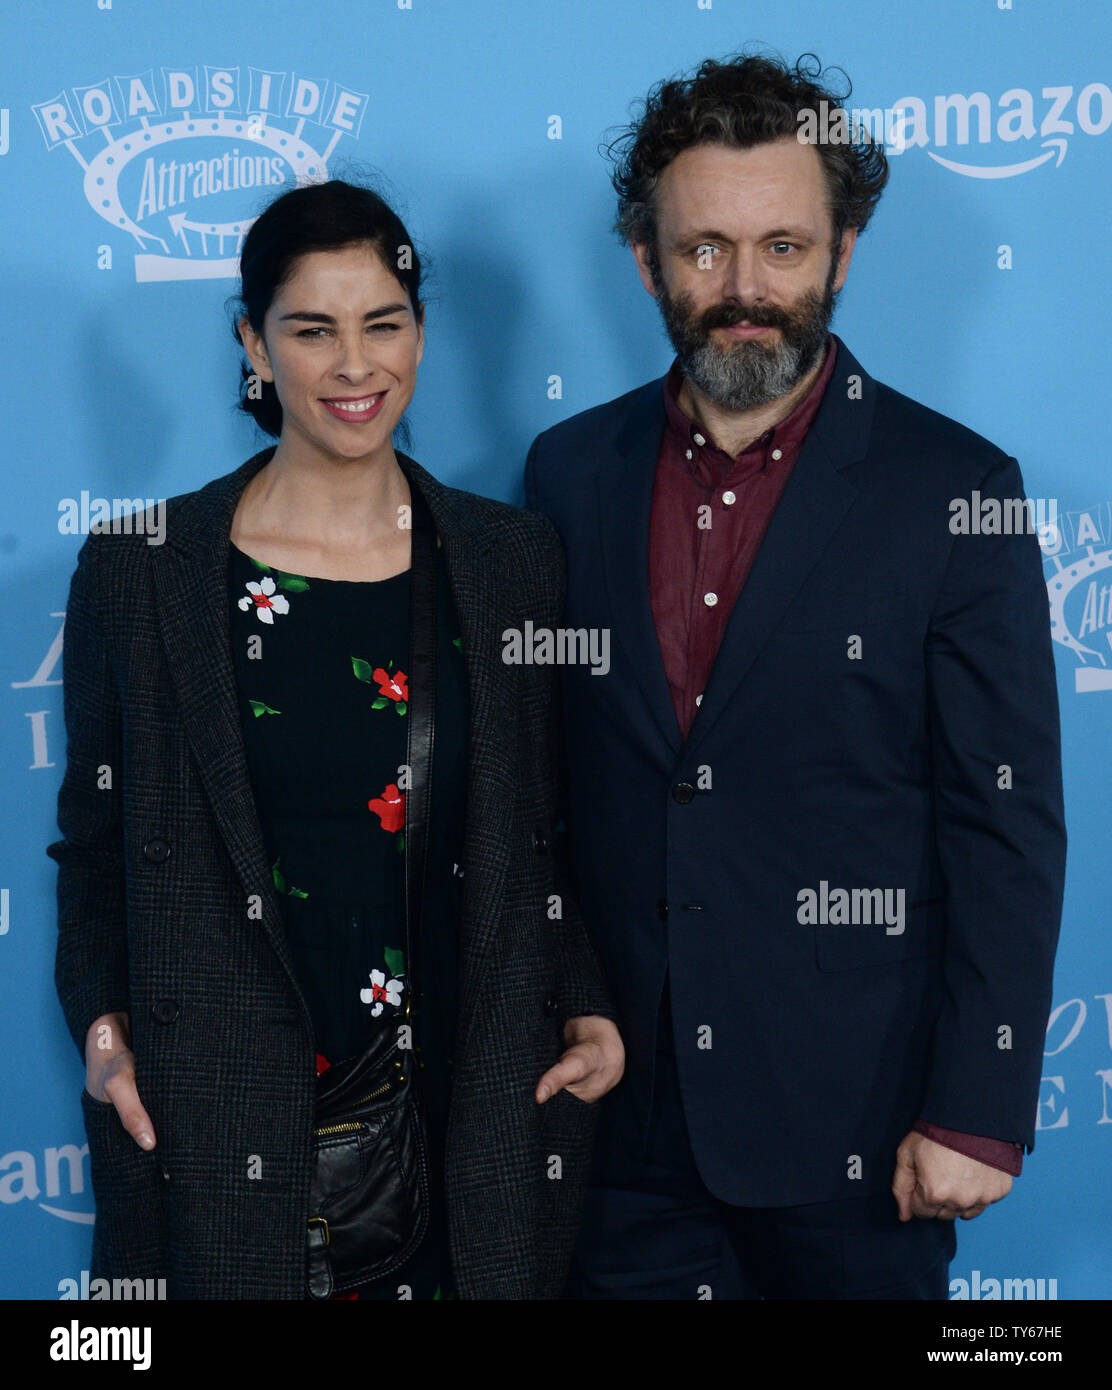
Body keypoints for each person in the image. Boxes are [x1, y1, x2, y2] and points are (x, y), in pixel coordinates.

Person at [525, 53, 1066, 1299]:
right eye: (704, 248)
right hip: (619, 1120)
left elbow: (1003, 819)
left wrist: (978, 1108)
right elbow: (546, 789)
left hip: (863, 1129)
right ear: (645, 260)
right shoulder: (566, 473)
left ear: (842, 253)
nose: (744, 290)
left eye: (781, 246)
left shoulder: (953, 489)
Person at [49, 177, 623, 1300]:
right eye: (312, 330)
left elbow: (547, 826)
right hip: (217, 1107)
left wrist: (585, 996)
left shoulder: (512, 562)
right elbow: (96, 838)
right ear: (252, 345)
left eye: (384, 324)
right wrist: (103, 1028)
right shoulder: (140, 570)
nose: (355, 366)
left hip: (467, 1109)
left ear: (420, 333)